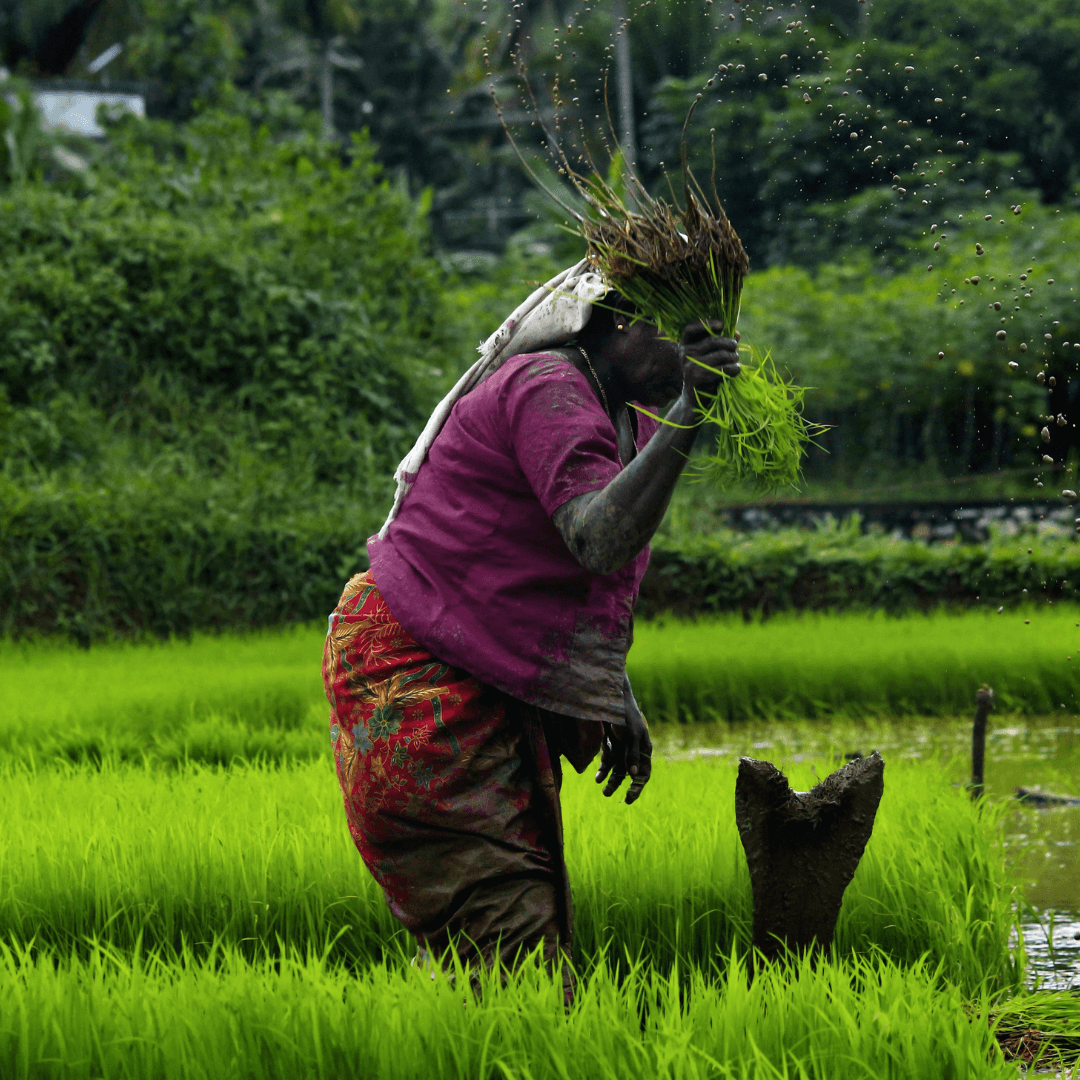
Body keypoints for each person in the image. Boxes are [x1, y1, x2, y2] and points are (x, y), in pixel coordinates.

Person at [322, 259, 740, 1000]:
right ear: (624, 320)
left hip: (473, 662)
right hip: (414, 672)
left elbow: (561, 578)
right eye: (685, 337)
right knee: (514, 948)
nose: (695, 355)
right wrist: (691, 409)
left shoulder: (627, 414)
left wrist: (611, 690)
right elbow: (597, 539)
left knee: (501, 947)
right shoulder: (547, 387)